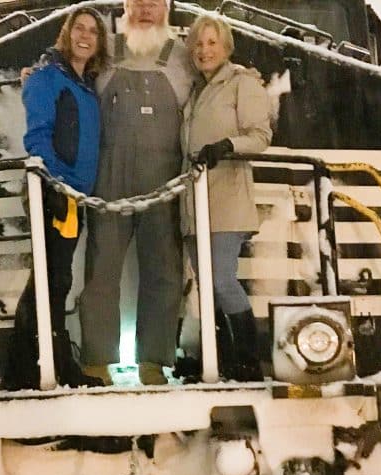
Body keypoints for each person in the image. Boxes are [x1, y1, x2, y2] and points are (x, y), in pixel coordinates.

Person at [77, 0, 195, 386]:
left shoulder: (185, 55)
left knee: (164, 270)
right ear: (125, 6)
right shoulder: (104, 47)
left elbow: (218, 79)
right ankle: (96, 361)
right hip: (109, 178)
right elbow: (67, 63)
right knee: (101, 271)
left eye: (154, 2)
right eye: (138, 1)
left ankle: (153, 362)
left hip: (165, 178)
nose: (146, 9)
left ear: (167, 8)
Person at [2, 7, 109, 389]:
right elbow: (37, 138)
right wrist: (58, 184)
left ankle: (24, 370)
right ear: (66, 33)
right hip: (55, 193)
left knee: (52, 281)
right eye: (78, 28)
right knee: (53, 280)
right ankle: (52, 368)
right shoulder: (48, 79)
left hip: (73, 196)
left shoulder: (83, 83)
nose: (85, 36)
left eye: (93, 32)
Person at [180, 14, 272, 381]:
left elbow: (260, 135)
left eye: (212, 42)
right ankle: (220, 361)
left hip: (227, 201)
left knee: (221, 281)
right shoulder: (194, 90)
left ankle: (248, 360)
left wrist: (227, 146)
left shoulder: (242, 83)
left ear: (227, 47)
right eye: (199, 44)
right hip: (194, 204)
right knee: (207, 286)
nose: (204, 50)